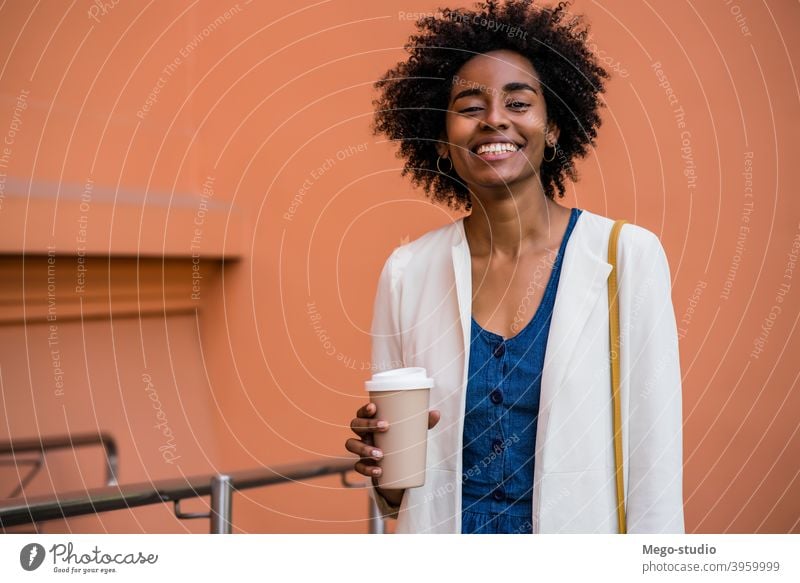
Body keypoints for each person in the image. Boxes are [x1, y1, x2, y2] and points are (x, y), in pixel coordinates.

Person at [345, 0, 684, 534]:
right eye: (469, 105)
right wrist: (382, 464)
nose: (495, 118)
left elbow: (655, 457)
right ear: (440, 137)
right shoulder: (407, 272)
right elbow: (399, 494)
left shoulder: (626, 258)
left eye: (519, 102)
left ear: (552, 129)